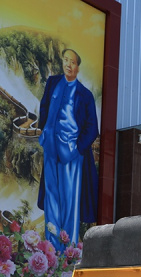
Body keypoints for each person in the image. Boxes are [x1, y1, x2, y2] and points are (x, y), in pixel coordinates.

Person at [37, 48, 99, 252]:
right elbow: (44, 106)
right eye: (65, 60)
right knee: (51, 196)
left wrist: (78, 149)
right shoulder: (53, 82)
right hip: (51, 149)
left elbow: (92, 128)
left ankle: (67, 250)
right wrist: (45, 130)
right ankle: (50, 247)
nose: (68, 65)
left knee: (70, 201)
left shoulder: (85, 94)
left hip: (72, 155)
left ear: (78, 67)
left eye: (72, 62)